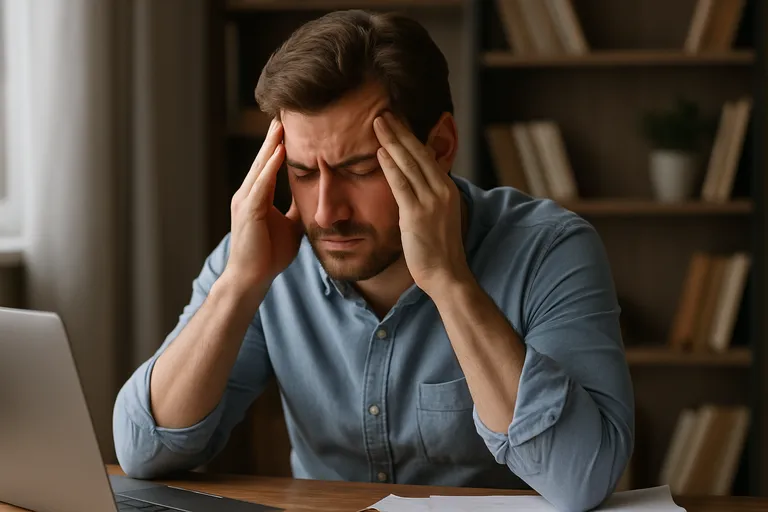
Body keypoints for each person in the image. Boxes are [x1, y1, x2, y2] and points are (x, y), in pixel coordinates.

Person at [113, 9, 634, 512]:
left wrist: (449, 282)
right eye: (303, 172)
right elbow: (143, 452)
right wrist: (239, 284)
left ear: (440, 146)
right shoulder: (260, 255)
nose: (326, 212)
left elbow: (581, 478)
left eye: (360, 169)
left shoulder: (549, 250)